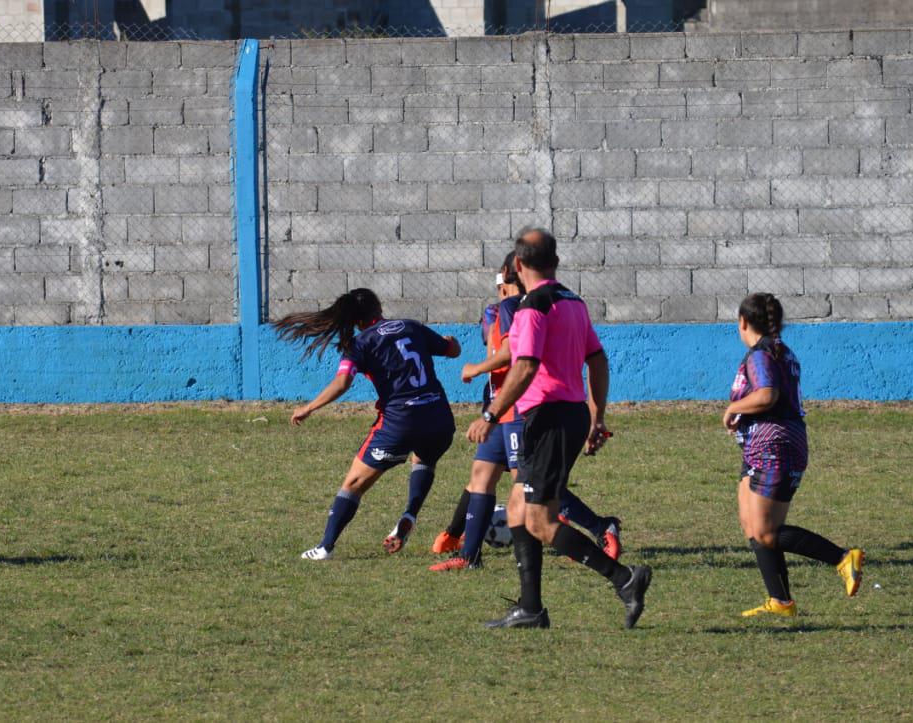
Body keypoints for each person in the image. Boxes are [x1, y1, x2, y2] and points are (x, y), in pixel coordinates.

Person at [469, 227, 651, 629]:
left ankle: (625, 579)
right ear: (555, 261)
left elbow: (526, 366)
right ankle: (531, 609)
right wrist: (596, 414)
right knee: (518, 507)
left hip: (548, 419)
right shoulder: (573, 301)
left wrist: (490, 414)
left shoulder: (533, 307)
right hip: (568, 415)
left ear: (518, 265)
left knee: (540, 521)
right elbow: (598, 359)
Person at [430, 253, 622, 572]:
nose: (498, 285)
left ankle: (600, 528)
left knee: (531, 487)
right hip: (501, 409)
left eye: (500, 278)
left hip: (517, 410)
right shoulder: (531, 305)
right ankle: (469, 556)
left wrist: (476, 368)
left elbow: (511, 355)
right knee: (482, 475)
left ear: (510, 274)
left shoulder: (513, 307)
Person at [276, 288, 461, 561]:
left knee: (352, 484)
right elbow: (453, 350)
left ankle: (325, 547)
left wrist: (309, 407)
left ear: (354, 319)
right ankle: (410, 512)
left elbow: (342, 383)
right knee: (424, 460)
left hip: (400, 423)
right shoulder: (411, 327)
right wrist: (451, 341)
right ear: (379, 307)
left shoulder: (360, 343)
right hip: (440, 419)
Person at [725, 293, 865, 617]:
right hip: (760, 447)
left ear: (743, 322)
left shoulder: (761, 355)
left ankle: (843, 557)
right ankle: (780, 601)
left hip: (775, 446)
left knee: (767, 531)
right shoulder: (779, 351)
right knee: (751, 522)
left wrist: (734, 407)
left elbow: (767, 394)